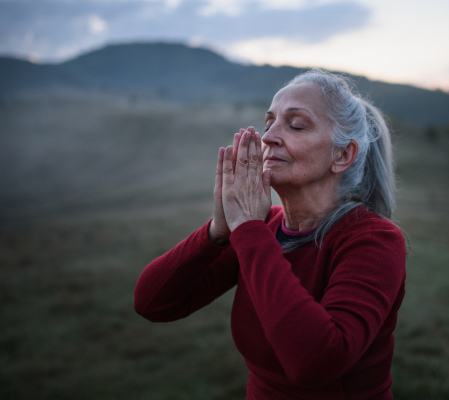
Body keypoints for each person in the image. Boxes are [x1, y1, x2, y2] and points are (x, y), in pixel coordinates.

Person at [134, 69, 407, 399]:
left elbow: (316, 361)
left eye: (295, 125)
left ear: (342, 155)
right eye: (268, 123)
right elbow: (153, 303)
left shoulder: (373, 240)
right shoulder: (263, 228)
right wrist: (217, 231)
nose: (268, 138)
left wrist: (249, 231)